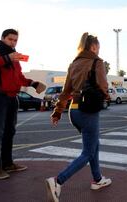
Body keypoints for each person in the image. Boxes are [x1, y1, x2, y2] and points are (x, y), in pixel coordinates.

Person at [46, 33, 112, 202]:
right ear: (93, 47)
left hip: (73, 111)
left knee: (94, 144)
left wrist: (58, 111)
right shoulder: (97, 62)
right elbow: (103, 85)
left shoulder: (73, 64)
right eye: (98, 47)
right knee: (88, 152)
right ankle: (57, 181)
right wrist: (106, 96)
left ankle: (97, 179)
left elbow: (66, 91)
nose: (99, 50)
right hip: (88, 110)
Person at [0, 29, 46, 180]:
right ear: (3, 38)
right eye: (10, 39)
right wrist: (6, 58)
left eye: (15, 40)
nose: (13, 42)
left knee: (10, 132)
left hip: (12, 97)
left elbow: (19, 77)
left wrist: (33, 83)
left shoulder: (15, 56)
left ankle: (8, 163)